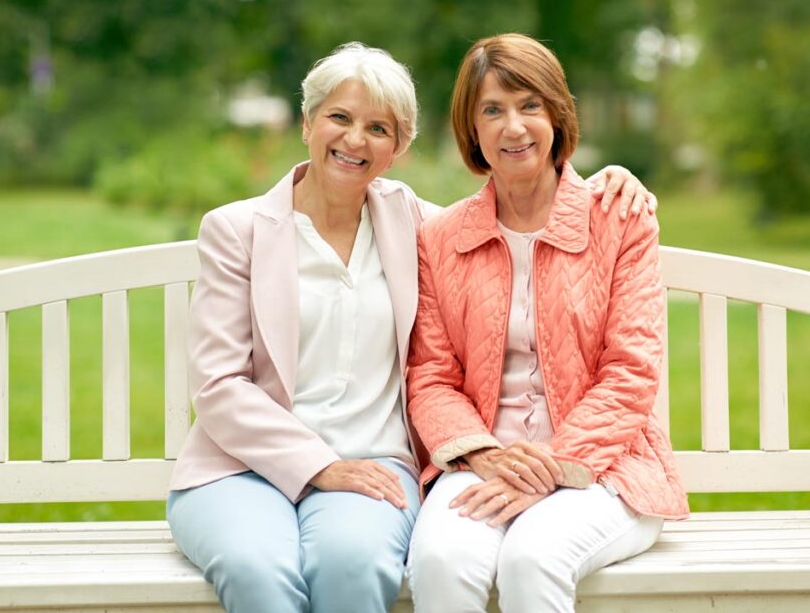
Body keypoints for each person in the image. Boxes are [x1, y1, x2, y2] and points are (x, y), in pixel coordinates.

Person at [166, 41, 656, 613]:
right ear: (306, 123)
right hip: (242, 466)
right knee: (259, 571)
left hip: (374, 465)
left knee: (352, 565)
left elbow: (535, 200)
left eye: (378, 127)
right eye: (339, 118)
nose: (355, 140)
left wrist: (613, 179)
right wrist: (320, 467)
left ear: (398, 147)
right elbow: (220, 386)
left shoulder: (416, 223)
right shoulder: (239, 231)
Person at [405, 33, 690, 613]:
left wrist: (553, 465)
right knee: (438, 561)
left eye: (530, 105)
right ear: (472, 130)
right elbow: (431, 377)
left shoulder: (619, 218)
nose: (514, 127)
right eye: (493, 110)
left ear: (557, 116)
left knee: (532, 558)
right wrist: (486, 456)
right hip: (482, 459)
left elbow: (631, 372)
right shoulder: (440, 237)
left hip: (604, 466)